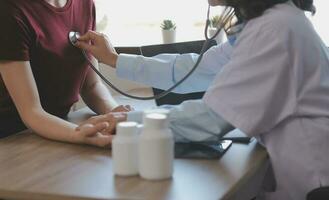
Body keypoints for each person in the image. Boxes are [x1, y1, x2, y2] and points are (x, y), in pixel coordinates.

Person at [76, 0, 329, 199]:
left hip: (312, 179)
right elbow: (194, 69)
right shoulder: (270, 22)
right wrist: (116, 60)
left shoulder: (275, 30)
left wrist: (127, 121)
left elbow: (212, 119)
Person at [0, 0, 132, 147]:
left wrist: (113, 113)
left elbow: (91, 86)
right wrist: (79, 133)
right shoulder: (8, 10)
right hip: (12, 139)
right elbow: (31, 112)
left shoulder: (85, 4)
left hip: (58, 129)